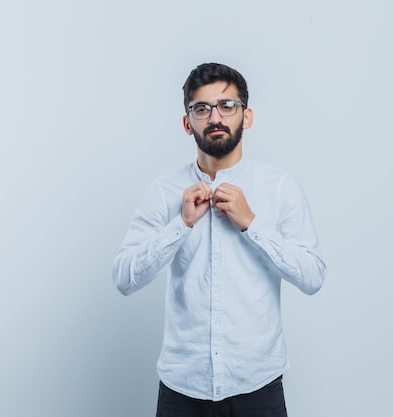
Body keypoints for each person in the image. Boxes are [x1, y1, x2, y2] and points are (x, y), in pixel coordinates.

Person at [112, 63, 326, 417]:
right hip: (183, 389)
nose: (216, 117)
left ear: (247, 115)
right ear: (187, 123)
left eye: (227, 105)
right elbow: (124, 279)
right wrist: (180, 225)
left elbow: (313, 276)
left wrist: (251, 223)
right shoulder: (164, 191)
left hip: (258, 386)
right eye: (202, 108)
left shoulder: (279, 186)